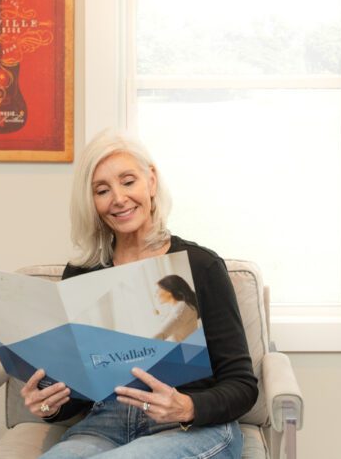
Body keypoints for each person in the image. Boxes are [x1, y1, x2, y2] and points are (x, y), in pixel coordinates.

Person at [20, 130, 258, 459]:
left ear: (151, 181)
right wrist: (49, 404)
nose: (118, 198)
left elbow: (243, 386)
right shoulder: (83, 274)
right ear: (92, 202)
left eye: (128, 181)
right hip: (106, 424)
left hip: (190, 427)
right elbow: (77, 394)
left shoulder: (200, 266)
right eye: (102, 190)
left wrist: (186, 406)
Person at [153, 275, 200, 342]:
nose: (155, 295)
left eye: (157, 291)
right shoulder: (178, 308)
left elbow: (161, 334)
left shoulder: (182, 308)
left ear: (168, 291)